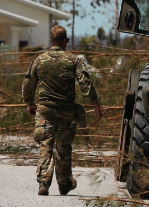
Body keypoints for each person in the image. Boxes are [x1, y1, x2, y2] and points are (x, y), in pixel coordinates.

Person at [22, 25, 102, 196]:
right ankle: (64, 183)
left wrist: (29, 103)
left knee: (45, 145)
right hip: (66, 110)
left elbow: (28, 82)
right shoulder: (74, 60)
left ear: (51, 40)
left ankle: (43, 183)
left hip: (45, 110)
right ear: (66, 40)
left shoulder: (40, 59)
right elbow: (85, 83)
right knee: (63, 148)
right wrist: (95, 104)